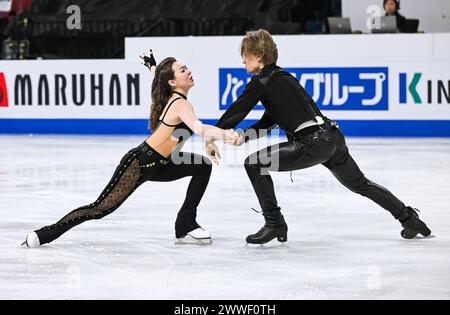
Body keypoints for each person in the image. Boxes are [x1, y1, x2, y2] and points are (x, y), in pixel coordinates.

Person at [206, 29, 431, 244]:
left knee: (254, 163)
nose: (243, 61)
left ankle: (274, 223)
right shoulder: (284, 78)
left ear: (259, 55)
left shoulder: (263, 81)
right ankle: (410, 219)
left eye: (245, 56)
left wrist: (210, 136)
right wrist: (243, 137)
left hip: (312, 143)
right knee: (361, 184)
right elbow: (269, 120)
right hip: (332, 139)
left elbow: (237, 110)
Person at [22, 51, 237, 247]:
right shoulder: (180, 104)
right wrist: (225, 134)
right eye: (183, 70)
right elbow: (199, 128)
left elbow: (159, 79)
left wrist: (152, 66)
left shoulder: (172, 96)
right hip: (139, 163)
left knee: (202, 166)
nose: (189, 71)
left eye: (187, 68)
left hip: (163, 163)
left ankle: (186, 223)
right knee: (99, 208)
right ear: (172, 82)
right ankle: (45, 234)